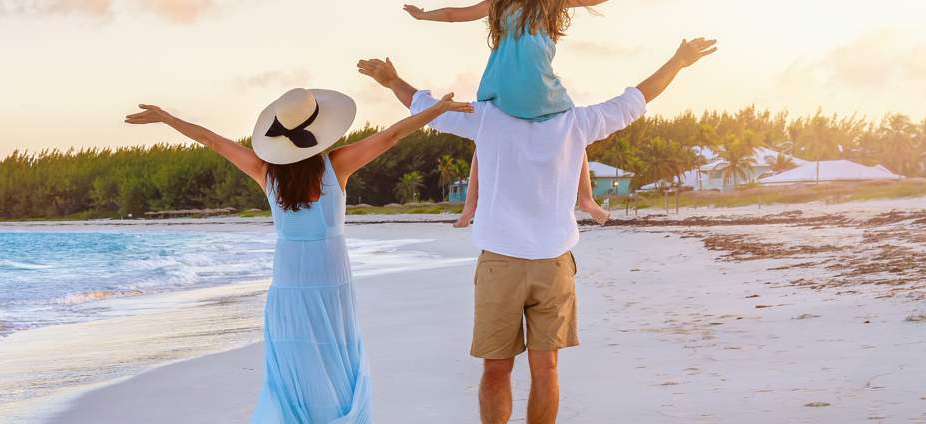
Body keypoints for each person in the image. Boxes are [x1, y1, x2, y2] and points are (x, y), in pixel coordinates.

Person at [357, 36, 716, 424]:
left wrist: (392, 81)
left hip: (501, 264)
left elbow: (428, 109)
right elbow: (635, 100)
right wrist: (677, 62)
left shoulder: (487, 117)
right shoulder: (575, 122)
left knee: (498, 369)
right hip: (553, 264)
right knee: (545, 368)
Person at [125, 84, 472, 423]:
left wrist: (169, 119)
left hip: (289, 285)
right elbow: (391, 136)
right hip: (330, 281)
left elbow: (213, 141)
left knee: (296, 367)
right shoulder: (337, 165)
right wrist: (435, 110)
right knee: (334, 359)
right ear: (320, 130)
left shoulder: (266, 172)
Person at [403, 0, 613, 226]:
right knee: (573, 133)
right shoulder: (502, 3)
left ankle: (585, 199)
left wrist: (423, 17)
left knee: (569, 132)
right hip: (535, 92)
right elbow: (453, 14)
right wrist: (423, 16)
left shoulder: (545, 3)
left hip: (523, 91)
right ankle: (585, 199)